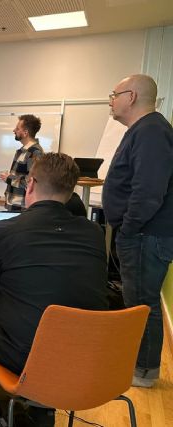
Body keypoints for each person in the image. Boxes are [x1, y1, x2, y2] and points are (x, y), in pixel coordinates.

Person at [0, 153, 108, 427]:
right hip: (86, 355)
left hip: (28, 356)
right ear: (71, 191)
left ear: (30, 184)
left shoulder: (3, 231)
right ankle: (40, 410)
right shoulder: (94, 233)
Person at [103, 74, 173, 388]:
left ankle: (144, 372)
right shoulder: (145, 130)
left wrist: (128, 229)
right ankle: (138, 364)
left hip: (145, 235)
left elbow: (148, 191)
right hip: (142, 234)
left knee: (141, 305)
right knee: (138, 301)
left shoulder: (152, 132)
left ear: (131, 96)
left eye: (113, 94)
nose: (110, 100)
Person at [0, 114, 44, 211]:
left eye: (17, 128)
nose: (14, 130)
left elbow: (33, 182)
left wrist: (9, 178)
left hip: (22, 208)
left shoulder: (35, 152)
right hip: (14, 205)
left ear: (25, 132)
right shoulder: (22, 151)